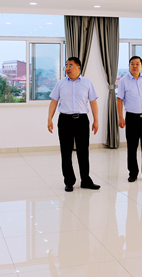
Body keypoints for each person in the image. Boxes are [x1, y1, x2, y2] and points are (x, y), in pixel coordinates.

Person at [47, 57, 100, 192]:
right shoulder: (60, 83)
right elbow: (54, 102)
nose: (67, 68)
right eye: (66, 66)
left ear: (78, 67)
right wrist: (49, 119)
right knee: (66, 152)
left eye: (70, 65)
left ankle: (85, 180)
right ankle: (69, 181)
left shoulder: (87, 83)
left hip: (82, 120)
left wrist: (96, 120)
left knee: (83, 152)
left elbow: (93, 102)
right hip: (65, 120)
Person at [118, 56, 142, 183]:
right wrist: (120, 117)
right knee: (132, 147)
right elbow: (119, 100)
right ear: (129, 66)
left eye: (137, 64)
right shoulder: (124, 80)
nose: (135, 66)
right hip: (132, 118)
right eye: (132, 64)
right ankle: (133, 173)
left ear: (141, 66)